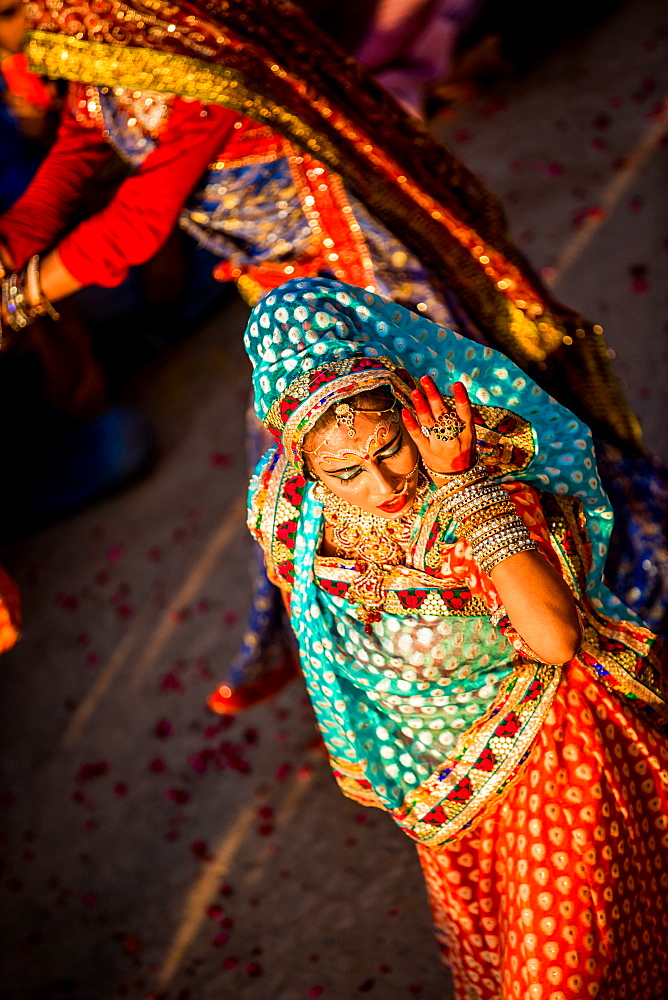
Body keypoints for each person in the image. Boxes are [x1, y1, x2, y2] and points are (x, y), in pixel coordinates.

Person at [7, 0, 668, 711]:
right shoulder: (95, 57)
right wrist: (8, 252)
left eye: (11, 8)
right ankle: (442, 653)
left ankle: (577, 595)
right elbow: (70, 162)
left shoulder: (187, 45)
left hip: (354, 274)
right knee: (331, 486)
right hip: (279, 289)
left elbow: (138, 224)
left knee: (437, 438)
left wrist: (23, 297)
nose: (8, 31)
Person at [243, 274, 668, 998]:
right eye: (344, 471)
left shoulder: (479, 483)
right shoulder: (285, 506)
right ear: (300, 459)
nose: (379, 485)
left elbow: (556, 641)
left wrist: (465, 485)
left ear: (411, 411)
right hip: (438, 792)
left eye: (389, 449)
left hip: (553, 757)